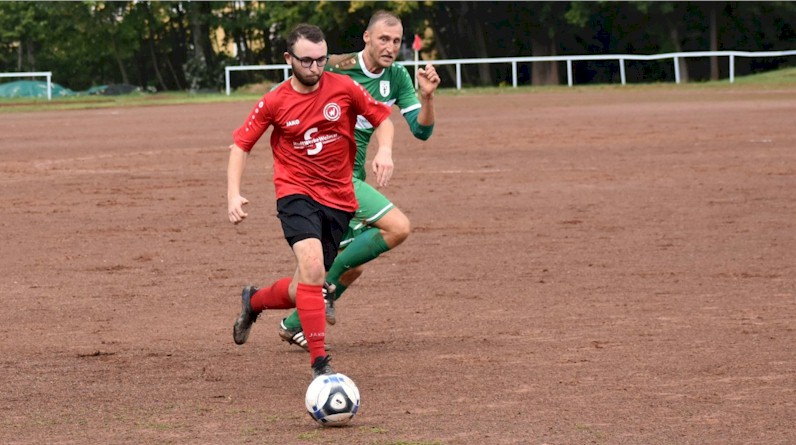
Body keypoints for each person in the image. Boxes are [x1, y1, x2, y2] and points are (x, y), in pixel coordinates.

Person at [227, 23, 394, 378]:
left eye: (321, 60)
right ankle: (320, 364)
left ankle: (254, 301)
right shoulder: (275, 100)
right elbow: (241, 144)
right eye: (307, 61)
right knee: (315, 269)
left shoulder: (344, 88)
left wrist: (386, 151)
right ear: (289, 59)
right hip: (296, 194)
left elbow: (383, 120)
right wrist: (233, 192)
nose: (316, 68)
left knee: (306, 283)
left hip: (339, 200)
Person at [278, 10, 441, 351]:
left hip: (352, 176)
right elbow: (291, 98)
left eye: (396, 41)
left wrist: (426, 98)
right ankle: (301, 312)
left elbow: (422, 131)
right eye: (383, 39)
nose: (391, 46)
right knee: (395, 228)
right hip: (327, 177)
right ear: (367, 37)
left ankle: (295, 316)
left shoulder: (397, 77)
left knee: (350, 265)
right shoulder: (334, 66)